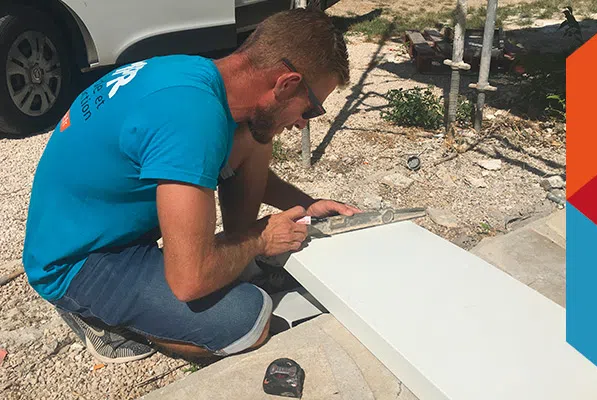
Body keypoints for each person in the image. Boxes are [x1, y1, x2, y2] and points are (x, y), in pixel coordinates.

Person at [22, 8, 359, 364]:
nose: (301, 124)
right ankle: (99, 318)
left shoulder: (198, 75)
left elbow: (227, 156)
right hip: (77, 261)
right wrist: (260, 238)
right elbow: (189, 280)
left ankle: (230, 260)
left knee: (255, 139)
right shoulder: (192, 120)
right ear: (286, 84)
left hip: (90, 225)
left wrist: (307, 204)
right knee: (247, 320)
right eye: (311, 110)